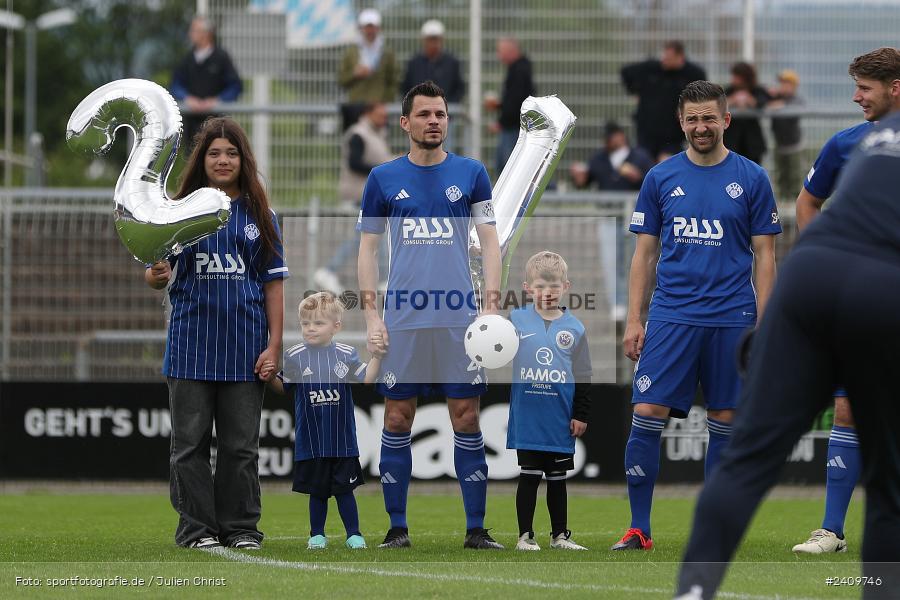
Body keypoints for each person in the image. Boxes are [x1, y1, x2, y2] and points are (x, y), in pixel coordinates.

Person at [675, 107, 900, 600]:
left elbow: (818, 204)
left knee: (747, 461)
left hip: (809, 275)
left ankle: (692, 592)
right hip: (882, 286)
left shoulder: (873, 137)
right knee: (889, 486)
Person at [613, 80, 780, 551]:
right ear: (681, 123)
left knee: (725, 420)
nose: (701, 127)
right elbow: (644, 254)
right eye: (692, 119)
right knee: (646, 411)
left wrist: (766, 325)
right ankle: (639, 528)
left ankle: (714, 530)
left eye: (709, 118)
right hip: (672, 315)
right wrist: (633, 318)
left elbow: (766, 257)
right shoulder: (660, 179)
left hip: (733, 317)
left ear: (726, 120)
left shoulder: (752, 178)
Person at [357, 80, 503, 550]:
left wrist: (491, 305)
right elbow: (368, 250)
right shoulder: (382, 178)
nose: (434, 121)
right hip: (404, 320)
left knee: (466, 416)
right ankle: (397, 528)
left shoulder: (473, 173)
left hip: (459, 321)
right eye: (424, 114)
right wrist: (371, 317)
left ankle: (476, 530)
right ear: (405, 123)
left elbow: (492, 242)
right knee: (397, 418)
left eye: (440, 114)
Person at [144, 117, 288, 550]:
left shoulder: (262, 215)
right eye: (214, 153)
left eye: (231, 153)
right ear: (201, 160)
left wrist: (274, 345)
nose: (223, 160)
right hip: (190, 346)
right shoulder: (175, 212)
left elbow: (274, 285)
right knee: (188, 446)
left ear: (243, 160)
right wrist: (156, 273)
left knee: (240, 448)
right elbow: (154, 277)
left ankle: (241, 528)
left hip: (246, 349)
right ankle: (196, 530)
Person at [790, 46, 900, 555]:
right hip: (864, 301)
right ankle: (831, 530)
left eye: (864, 88)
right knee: (849, 405)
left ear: (894, 88)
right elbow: (808, 202)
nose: (856, 97)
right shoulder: (846, 143)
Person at [259, 292, 383, 550]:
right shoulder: (295, 355)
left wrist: (377, 357)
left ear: (336, 327)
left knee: (344, 491)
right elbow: (284, 387)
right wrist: (270, 377)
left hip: (342, 441)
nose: (310, 329)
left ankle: (354, 534)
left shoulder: (347, 354)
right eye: (306, 323)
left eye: (318, 323)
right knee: (317, 492)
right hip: (311, 441)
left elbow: (367, 379)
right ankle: (317, 535)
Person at [508, 251, 591, 552]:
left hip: (559, 416)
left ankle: (560, 537)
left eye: (554, 286)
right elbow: (496, 350)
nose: (548, 292)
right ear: (528, 288)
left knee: (557, 478)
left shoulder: (576, 327)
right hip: (528, 415)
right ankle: (524, 537)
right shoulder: (514, 320)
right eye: (541, 286)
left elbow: (583, 374)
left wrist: (580, 413)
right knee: (529, 476)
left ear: (566, 286)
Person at [314, 102, 393, 295]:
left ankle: (382, 278)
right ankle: (329, 270)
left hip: (371, 195)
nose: (385, 117)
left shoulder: (377, 134)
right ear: (367, 112)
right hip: (359, 194)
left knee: (368, 236)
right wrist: (382, 169)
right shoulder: (358, 134)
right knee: (365, 236)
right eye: (380, 112)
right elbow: (354, 163)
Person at [621, 41, 707, 163]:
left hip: (673, 134)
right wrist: (635, 90)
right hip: (647, 130)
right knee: (644, 164)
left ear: (680, 57)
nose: (664, 60)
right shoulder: (651, 68)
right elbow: (626, 72)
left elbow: (702, 95)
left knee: (667, 163)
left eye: (669, 58)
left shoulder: (693, 74)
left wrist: (688, 107)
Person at [170, 16, 242, 151]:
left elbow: (235, 86)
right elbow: (175, 84)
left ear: (206, 34)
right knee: (193, 160)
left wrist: (216, 101)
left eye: (194, 30)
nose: (190, 34)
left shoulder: (221, 58)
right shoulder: (188, 58)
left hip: (217, 123)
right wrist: (188, 99)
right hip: (192, 125)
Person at [400, 20, 465, 152]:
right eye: (430, 39)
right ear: (424, 41)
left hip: (443, 117)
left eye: (436, 40)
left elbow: (460, 87)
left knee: (444, 148)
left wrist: (447, 107)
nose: (433, 43)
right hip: (419, 117)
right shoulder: (414, 63)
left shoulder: (451, 62)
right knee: (418, 149)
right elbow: (405, 87)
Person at [338, 8, 397, 131]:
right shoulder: (352, 52)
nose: (370, 31)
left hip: (378, 108)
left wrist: (385, 101)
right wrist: (355, 74)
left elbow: (393, 80)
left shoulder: (386, 53)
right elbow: (341, 80)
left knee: (378, 145)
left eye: (373, 27)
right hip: (356, 107)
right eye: (367, 27)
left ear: (378, 28)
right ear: (361, 29)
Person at [485, 37, 535, 174]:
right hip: (513, 125)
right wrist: (500, 106)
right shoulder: (519, 69)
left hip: (513, 128)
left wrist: (502, 122)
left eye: (500, 51)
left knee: (508, 168)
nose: (498, 55)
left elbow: (517, 101)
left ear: (511, 51)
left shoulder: (519, 71)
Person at [569, 121, 654, 191]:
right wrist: (578, 177)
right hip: (605, 208)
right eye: (606, 137)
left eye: (611, 136)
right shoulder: (598, 158)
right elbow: (584, 181)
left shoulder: (640, 156)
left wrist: (638, 177)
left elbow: (653, 183)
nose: (608, 140)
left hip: (632, 206)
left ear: (621, 135)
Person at [766, 69, 805, 200]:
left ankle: (796, 205)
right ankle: (783, 204)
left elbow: (795, 111)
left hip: (794, 144)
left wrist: (780, 105)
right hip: (779, 143)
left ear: (794, 86)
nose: (783, 86)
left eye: (786, 83)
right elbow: (765, 104)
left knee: (794, 176)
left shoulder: (796, 99)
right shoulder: (776, 98)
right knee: (781, 177)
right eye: (781, 83)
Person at [724, 61, 771, 165]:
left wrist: (749, 100)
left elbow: (765, 101)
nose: (733, 79)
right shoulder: (729, 90)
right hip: (732, 143)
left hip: (752, 144)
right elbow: (718, 103)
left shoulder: (756, 90)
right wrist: (733, 100)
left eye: (736, 76)